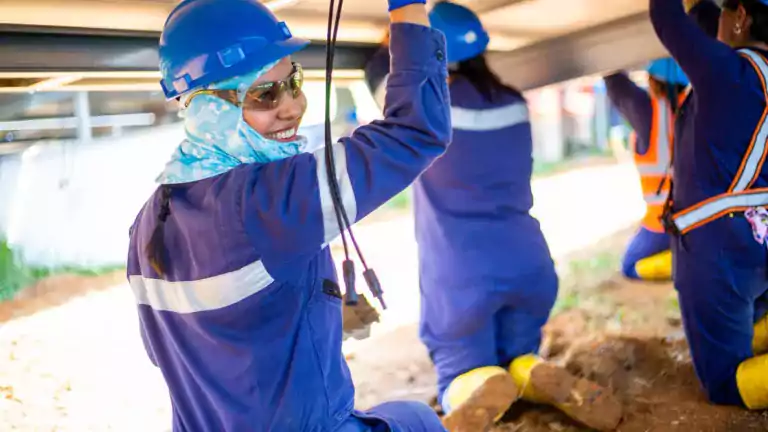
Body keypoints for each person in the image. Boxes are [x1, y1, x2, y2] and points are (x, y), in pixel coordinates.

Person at [126, 0, 453, 430]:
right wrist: (407, 8)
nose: (293, 107)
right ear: (207, 107)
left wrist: (307, 312)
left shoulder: (148, 222)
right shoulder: (266, 203)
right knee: (417, 420)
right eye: (264, 94)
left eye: (293, 81)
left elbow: (179, 348)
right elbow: (415, 131)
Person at [366, 2, 621, 431]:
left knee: (462, 368)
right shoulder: (514, 102)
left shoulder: (426, 109)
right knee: (518, 350)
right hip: (529, 263)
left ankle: (477, 383)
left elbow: (377, 71)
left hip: (462, 275)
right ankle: (528, 372)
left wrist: (396, 38)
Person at [650, 0, 768, 410]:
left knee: (724, 382)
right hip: (759, 232)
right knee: (750, 315)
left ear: (741, 17)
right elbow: (701, 28)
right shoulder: (746, 75)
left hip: (719, 245)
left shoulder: (727, 73)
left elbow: (666, 18)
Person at [602, 58, 690, 282]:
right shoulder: (698, 106)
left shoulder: (647, 112)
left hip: (662, 221)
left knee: (631, 265)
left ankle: (684, 264)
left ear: (652, 80)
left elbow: (614, 81)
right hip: (701, 215)